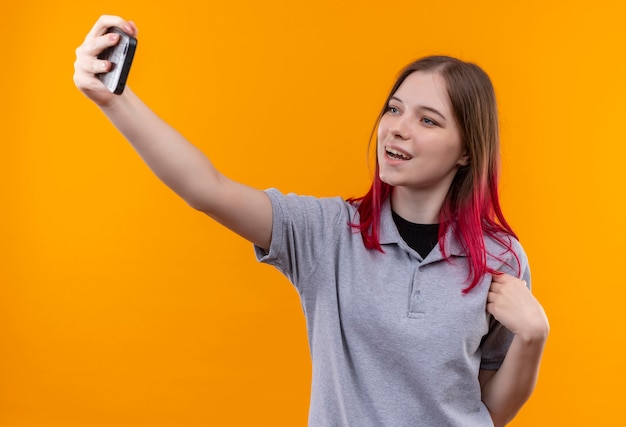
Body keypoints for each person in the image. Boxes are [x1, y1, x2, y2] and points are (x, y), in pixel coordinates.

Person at [74, 15, 549, 427]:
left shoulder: (500, 258)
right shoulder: (327, 235)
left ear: (467, 151)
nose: (397, 127)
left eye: (428, 120)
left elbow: (488, 412)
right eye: (394, 108)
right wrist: (114, 100)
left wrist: (532, 337)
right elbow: (207, 188)